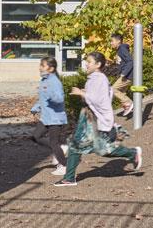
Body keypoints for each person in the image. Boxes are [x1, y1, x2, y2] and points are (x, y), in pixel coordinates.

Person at [54, 52, 142, 186]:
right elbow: (97, 96)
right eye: (87, 61)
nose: (86, 64)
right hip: (89, 116)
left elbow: (100, 100)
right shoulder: (95, 78)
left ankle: (132, 153)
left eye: (89, 62)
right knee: (82, 146)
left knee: (91, 147)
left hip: (93, 118)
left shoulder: (99, 78)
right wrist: (84, 92)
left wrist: (82, 93)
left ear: (98, 64)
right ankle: (69, 177)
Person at [31, 56, 68, 176]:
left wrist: (50, 94)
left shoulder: (54, 82)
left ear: (51, 68)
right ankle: (60, 149)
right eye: (40, 65)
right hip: (46, 117)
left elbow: (60, 98)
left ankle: (64, 165)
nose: (40, 67)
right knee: (36, 136)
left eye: (43, 65)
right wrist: (36, 107)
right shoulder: (44, 80)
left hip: (56, 118)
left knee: (53, 143)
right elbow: (43, 98)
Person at [109, 32, 135, 117]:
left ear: (118, 41)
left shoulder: (122, 49)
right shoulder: (119, 50)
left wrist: (124, 73)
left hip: (127, 76)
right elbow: (122, 63)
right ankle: (134, 108)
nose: (111, 43)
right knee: (121, 92)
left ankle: (129, 104)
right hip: (126, 75)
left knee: (113, 89)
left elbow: (130, 61)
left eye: (112, 41)